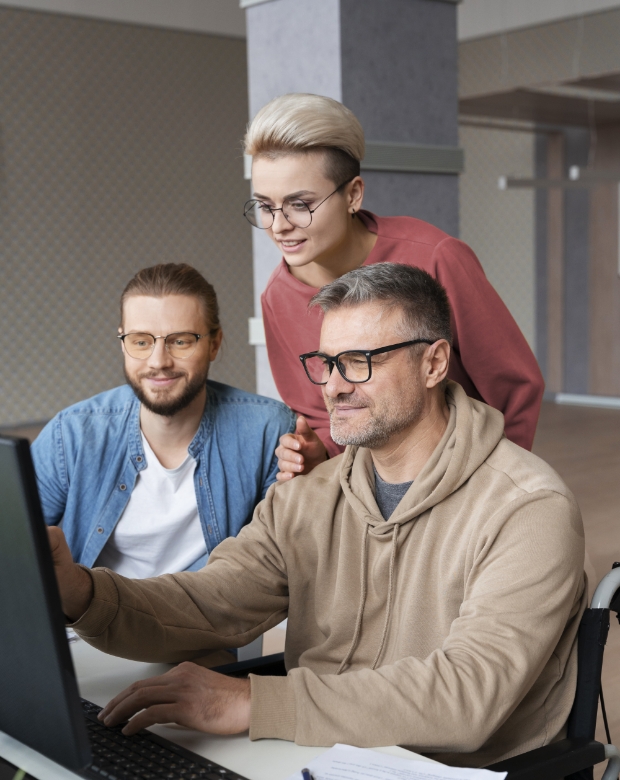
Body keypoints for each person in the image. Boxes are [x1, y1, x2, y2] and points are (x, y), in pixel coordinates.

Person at [49, 264, 585, 768]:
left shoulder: (528, 507)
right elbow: (210, 603)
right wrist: (81, 593)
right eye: (327, 363)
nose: (333, 386)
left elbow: (466, 694)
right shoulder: (309, 496)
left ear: (435, 363)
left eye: (359, 361)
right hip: (316, 757)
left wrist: (257, 703)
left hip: (457, 770)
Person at [242, 93, 544, 480]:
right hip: (372, 495)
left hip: (470, 477)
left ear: (352, 194)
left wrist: (497, 486)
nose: (279, 225)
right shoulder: (277, 297)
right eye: (265, 206)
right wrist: (318, 451)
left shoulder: (437, 256)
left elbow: (515, 386)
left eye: (300, 204)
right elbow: (324, 418)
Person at [33, 263, 295, 577]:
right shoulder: (71, 435)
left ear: (214, 343)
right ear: (123, 342)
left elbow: (276, 565)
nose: (159, 362)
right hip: (91, 623)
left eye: (181, 341)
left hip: (207, 623)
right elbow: (15, 545)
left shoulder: (268, 430)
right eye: (141, 341)